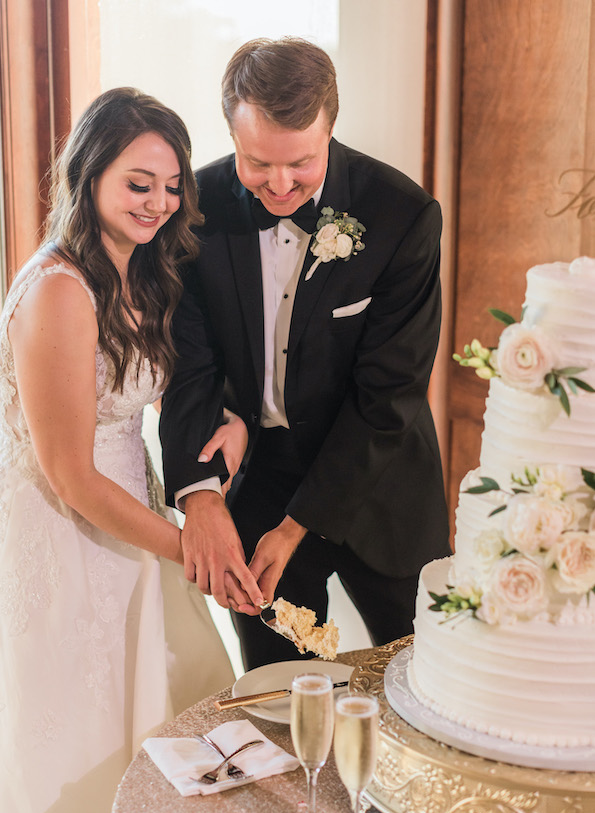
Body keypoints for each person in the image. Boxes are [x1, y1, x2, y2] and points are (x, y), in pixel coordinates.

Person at [0, 87, 241, 813]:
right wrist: (184, 548)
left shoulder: (140, 272)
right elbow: (70, 475)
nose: (158, 202)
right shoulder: (61, 291)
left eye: (171, 186)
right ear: (91, 175)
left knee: (150, 714)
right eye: (138, 183)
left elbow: (165, 390)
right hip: (59, 530)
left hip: (126, 512)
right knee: (68, 732)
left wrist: (231, 428)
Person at [160, 37, 451, 671]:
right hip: (262, 480)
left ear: (330, 128)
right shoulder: (195, 212)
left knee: (426, 682)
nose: (280, 185)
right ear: (231, 132)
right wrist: (200, 494)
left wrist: (299, 526)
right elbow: (190, 366)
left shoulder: (402, 215)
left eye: (301, 163)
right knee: (276, 696)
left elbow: (390, 396)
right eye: (257, 163)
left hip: (382, 487)